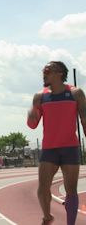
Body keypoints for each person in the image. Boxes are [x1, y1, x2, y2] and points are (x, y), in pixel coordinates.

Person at [27, 61, 86, 225]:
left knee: (71, 190)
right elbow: (32, 125)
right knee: (42, 187)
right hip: (49, 149)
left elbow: (84, 119)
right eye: (43, 70)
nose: (43, 73)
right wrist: (31, 114)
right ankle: (47, 217)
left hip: (70, 148)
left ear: (59, 73)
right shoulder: (40, 97)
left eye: (47, 70)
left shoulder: (76, 94)